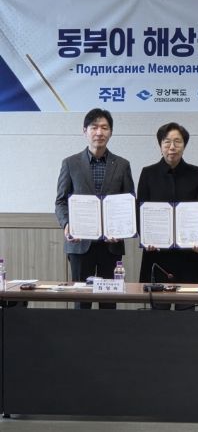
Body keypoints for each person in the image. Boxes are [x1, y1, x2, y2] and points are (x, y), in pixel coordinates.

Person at [55, 108, 134, 309]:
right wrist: (66, 224)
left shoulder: (122, 164)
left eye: (104, 128)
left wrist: (122, 230)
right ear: (85, 131)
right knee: (82, 301)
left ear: (111, 132)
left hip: (111, 245)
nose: (99, 132)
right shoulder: (70, 163)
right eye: (94, 127)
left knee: (109, 301)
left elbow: (129, 203)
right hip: (80, 244)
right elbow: (61, 201)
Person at [137, 122, 198, 309]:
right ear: (160, 145)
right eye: (167, 141)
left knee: (186, 313)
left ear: (184, 145)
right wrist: (146, 238)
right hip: (157, 255)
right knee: (159, 314)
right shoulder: (148, 173)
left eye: (177, 141)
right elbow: (140, 211)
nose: (172, 147)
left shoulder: (196, 173)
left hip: (189, 255)